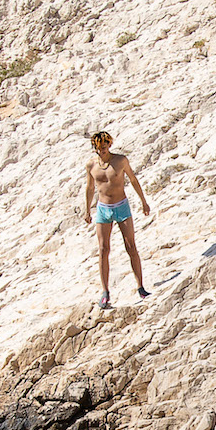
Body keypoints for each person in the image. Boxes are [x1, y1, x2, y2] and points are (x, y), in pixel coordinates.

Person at [80, 129, 152, 309]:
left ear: (109, 145)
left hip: (122, 206)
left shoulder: (120, 161)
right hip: (103, 209)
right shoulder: (91, 165)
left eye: (104, 147)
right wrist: (87, 210)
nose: (101, 151)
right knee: (103, 249)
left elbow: (133, 180)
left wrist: (144, 202)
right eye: (98, 148)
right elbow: (90, 188)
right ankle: (105, 292)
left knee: (131, 246)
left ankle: (141, 287)